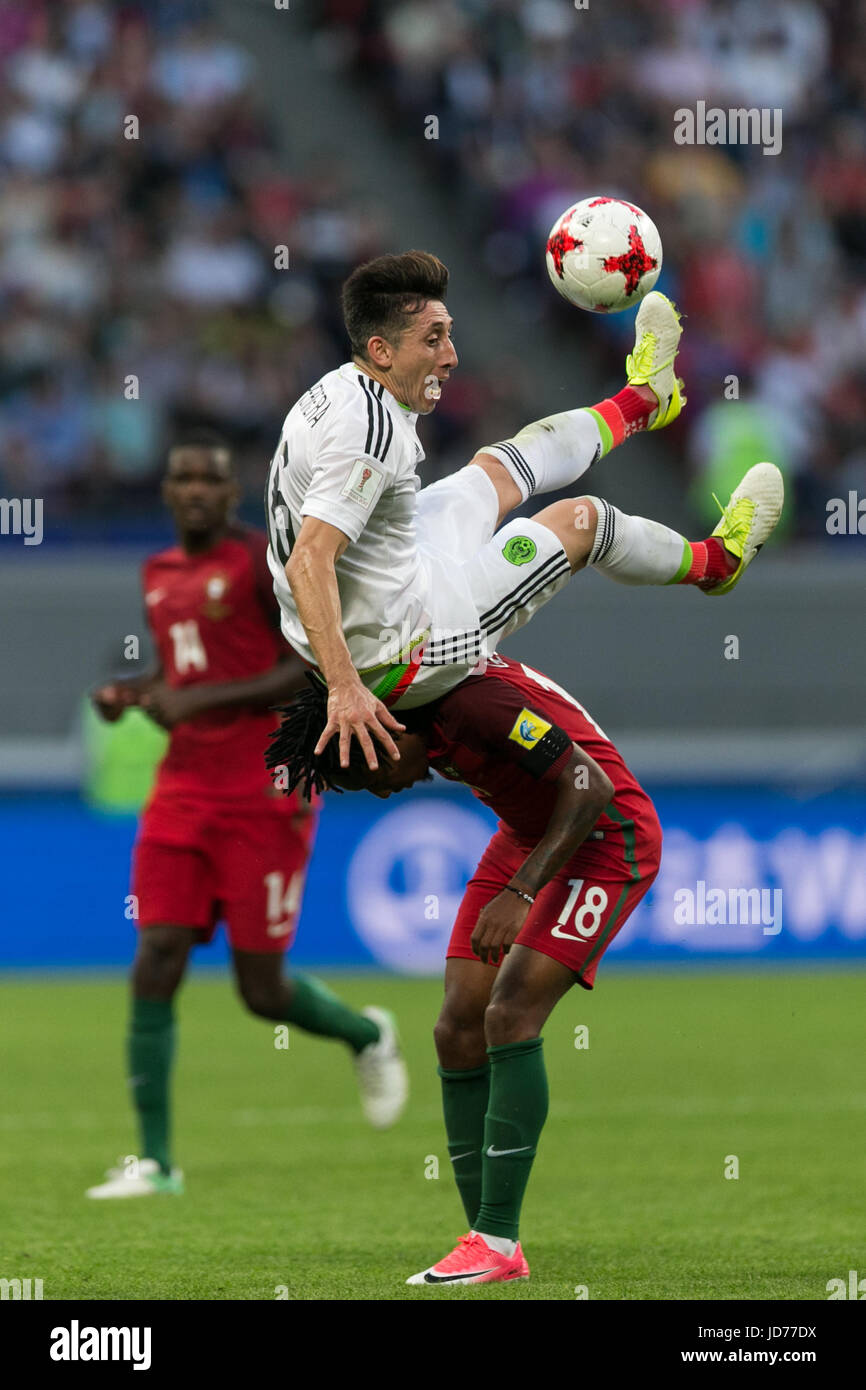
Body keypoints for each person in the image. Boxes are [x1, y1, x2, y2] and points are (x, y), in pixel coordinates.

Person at [264, 250, 783, 773]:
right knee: (581, 520)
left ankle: (644, 399)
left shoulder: (336, 389)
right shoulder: (369, 434)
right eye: (432, 340)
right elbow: (308, 560)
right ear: (380, 350)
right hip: (403, 648)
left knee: (498, 465)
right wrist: (345, 689)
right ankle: (717, 564)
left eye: (448, 333)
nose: (451, 356)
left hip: (373, 598)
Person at [266, 651, 661, 1285]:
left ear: (389, 730)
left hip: (608, 838)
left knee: (510, 1013)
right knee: (456, 1028)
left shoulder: (478, 704)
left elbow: (592, 786)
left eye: (377, 776)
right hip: (527, 835)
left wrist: (524, 891)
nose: (388, 790)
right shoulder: (414, 713)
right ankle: (487, 1241)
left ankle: (497, 1242)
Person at [86, 431, 408, 1201]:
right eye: (182, 478)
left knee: (259, 990)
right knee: (157, 954)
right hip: (181, 792)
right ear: (166, 491)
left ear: (233, 496)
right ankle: (157, 1162)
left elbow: (305, 667)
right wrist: (135, 691)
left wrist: (196, 701)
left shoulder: (268, 564)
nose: (195, 490)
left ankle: (367, 1034)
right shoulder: (158, 573)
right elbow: (186, 667)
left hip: (266, 788)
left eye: (210, 480)